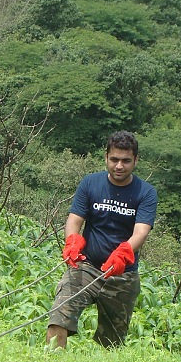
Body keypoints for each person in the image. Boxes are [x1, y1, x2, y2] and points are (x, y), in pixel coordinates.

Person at [46, 131, 157, 349]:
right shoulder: (90, 183)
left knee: (111, 343)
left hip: (122, 275)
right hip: (86, 266)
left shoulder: (146, 192)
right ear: (106, 157)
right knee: (59, 314)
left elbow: (141, 231)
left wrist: (124, 252)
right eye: (114, 159)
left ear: (135, 160)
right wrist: (72, 241)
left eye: (126, 161)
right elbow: (74, 220)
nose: (119, 166)